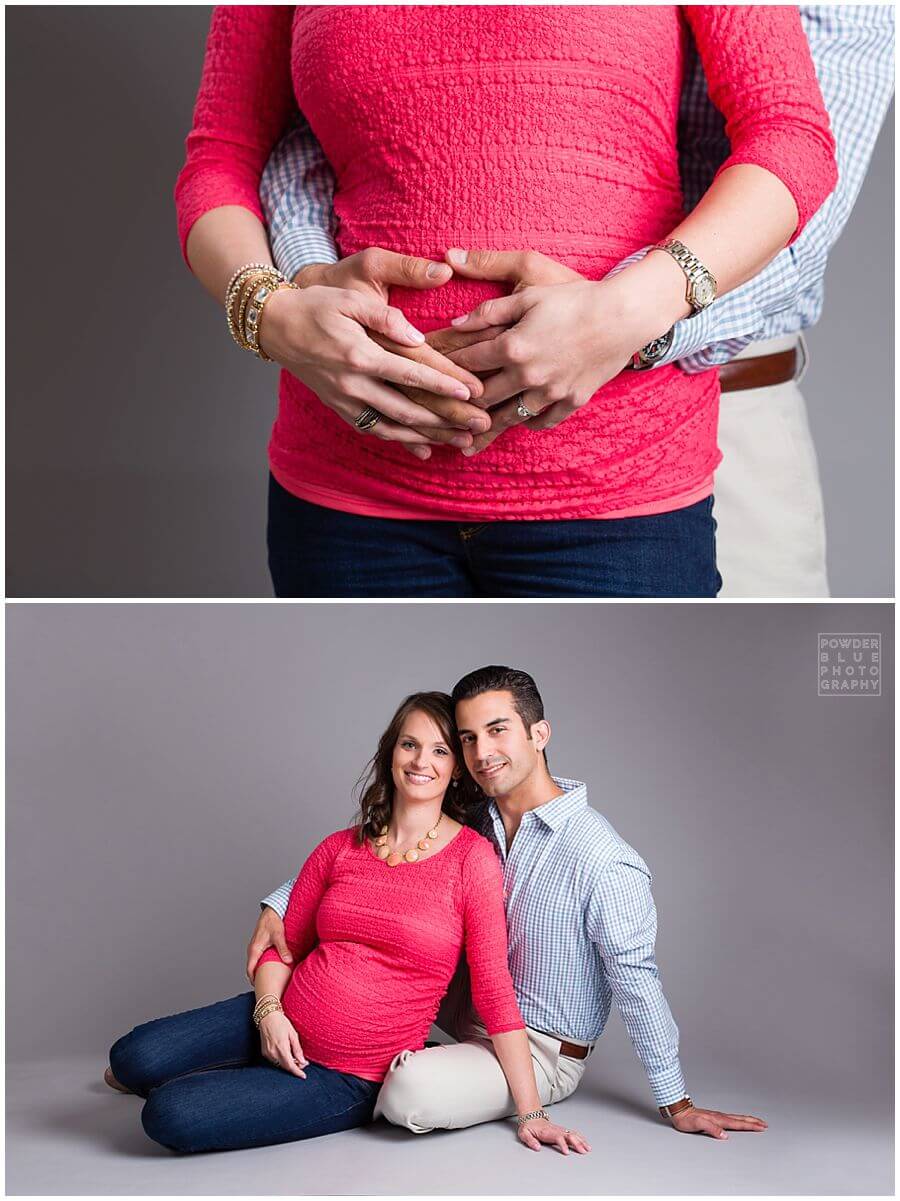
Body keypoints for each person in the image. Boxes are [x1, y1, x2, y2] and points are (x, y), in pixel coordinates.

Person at [174, 7, 838, 598]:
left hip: (613, 487)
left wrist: (630, 310)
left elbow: (790, 136)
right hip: (350, 493)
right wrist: (271, 312)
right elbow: (220, 158)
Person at [250, 666, 768, 1140]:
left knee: (410, 1095)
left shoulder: (604, 859)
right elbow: (371, 862)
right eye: (468, 738)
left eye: (497, 731)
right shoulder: (476, 816)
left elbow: (637, 982)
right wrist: (278, 905)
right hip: (457, 1018)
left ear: (539, 734)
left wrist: (677, 1103)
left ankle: (366, 1073)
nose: (481, 753)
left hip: (541, 1047)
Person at [105, 693, 587, 1155]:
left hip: (349, 1074)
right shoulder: (340, 846)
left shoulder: (473, 861)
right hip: (275, 1020)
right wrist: (269, 1012)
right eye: (410, 744)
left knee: (169, 1115)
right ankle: (240, 1057)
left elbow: (493, 987)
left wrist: (531, 1114)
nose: (422, 761)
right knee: (132, 1058)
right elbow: (283, 947)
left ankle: (233, 1082)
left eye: (440, 750)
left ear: (457, 768)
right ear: (391, 751)